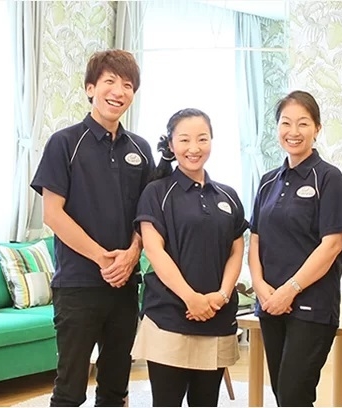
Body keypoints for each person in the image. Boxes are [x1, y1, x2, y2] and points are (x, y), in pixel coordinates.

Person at [30, 49, 155, 407]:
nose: (119, 91)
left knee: (115, 388)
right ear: (90, 88)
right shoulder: (64, 143)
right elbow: (53, 215)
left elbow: (147, 216)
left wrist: (131, 255)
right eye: (110, 81)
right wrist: (103, 258)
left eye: (127, 85)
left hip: (125, 285)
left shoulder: (141, 149)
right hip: (78, 285)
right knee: (69, 390)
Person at [132, 108, 248, 407]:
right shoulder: (156, 192)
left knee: (206, 402)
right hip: (169, 317)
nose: (194, 148)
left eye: (202, 139)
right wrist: (190, 298)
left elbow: (236, 250)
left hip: (216, 317)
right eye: (184, 140)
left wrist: (221, 296)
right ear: (171, 144)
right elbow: (154, 249)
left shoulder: (228, 195)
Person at [249, 90, 342, 406]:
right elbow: (256, 239)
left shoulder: (329, 179)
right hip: (270, 304)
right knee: (282, 393)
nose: (293, 131)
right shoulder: (268, 181)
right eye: (286, 123)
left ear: (317, 129)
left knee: (294, 393)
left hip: (311, 306)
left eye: (303, 123)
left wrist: (290, 290)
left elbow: (332, 245)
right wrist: (261, 287)